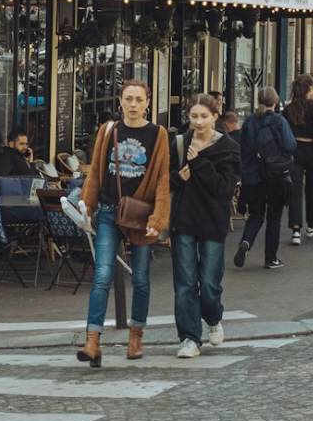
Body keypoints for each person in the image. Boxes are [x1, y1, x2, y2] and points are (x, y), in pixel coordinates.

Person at [76, 79, 172, 367]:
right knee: (103, 274)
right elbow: (96, 171)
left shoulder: (159, 134)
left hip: (141, 214)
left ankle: (136, 335)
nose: (132, 105)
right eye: (128, 99)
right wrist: (86, 204)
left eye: (138, 99)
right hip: (108, 210)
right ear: (120, 101)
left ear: (147, 102)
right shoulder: (109, 130)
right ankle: (92, 341)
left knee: (141, 277)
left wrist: (158, 217)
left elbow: (163, 179)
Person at [168, 96, 242, 358]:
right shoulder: (178, 143)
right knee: (185, 282)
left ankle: (213, 318)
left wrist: (198, 163)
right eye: (194, 116)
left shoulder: (228, 148)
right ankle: (189, 337)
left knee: (210, 283)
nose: (198, 122)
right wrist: (178, 177)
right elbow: (165, 180)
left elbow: (224, 188)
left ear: (214, 116)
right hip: (184, 219)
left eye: (203, 116)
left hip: (212, 220)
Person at [233, 87, 296, 270]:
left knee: (256, 215)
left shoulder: (250, 122)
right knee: (274, 217)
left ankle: (245, 242)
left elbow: (242, 149)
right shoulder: (280, 121)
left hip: (254, 177)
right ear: (276, 102)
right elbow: (291, 145)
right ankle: (271, 258)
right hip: (276, 176)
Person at [284, 74, 313, 245]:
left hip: (294, 151)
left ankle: (295, 229)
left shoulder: (289, 108)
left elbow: (284, 130)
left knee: (295, 191)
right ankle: (311, 223)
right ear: (310, 89)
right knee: (312, 190)